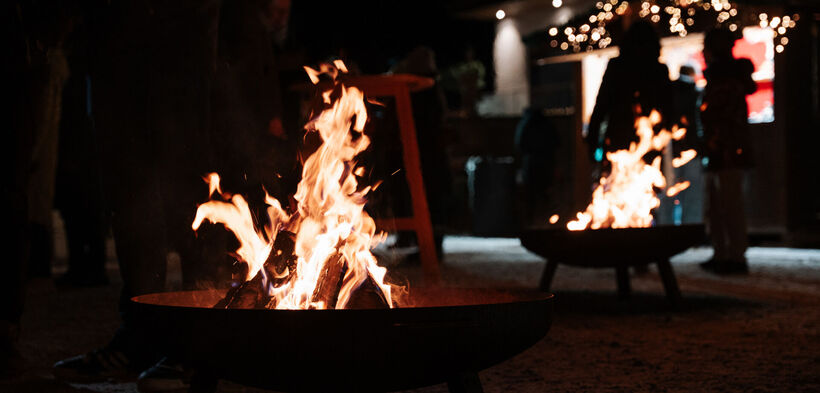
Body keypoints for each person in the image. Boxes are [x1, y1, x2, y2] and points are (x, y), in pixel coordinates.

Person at [698, 28, 756, 275]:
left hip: (727, 150)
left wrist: (718, 143)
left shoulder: (726, 81)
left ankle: (735, 256)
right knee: (717, 204)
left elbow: (724, 119)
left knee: (729, 203)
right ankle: (723, 252)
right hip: (719, 149)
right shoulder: (720, 79)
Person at [586, 21, 673, 169]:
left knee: (619, 183)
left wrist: (592, 138)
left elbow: (602, 104)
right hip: (651, 138)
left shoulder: (617, 67)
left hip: (620, 136)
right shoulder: (658, 70)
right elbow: (669, 105)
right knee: (645, 183)